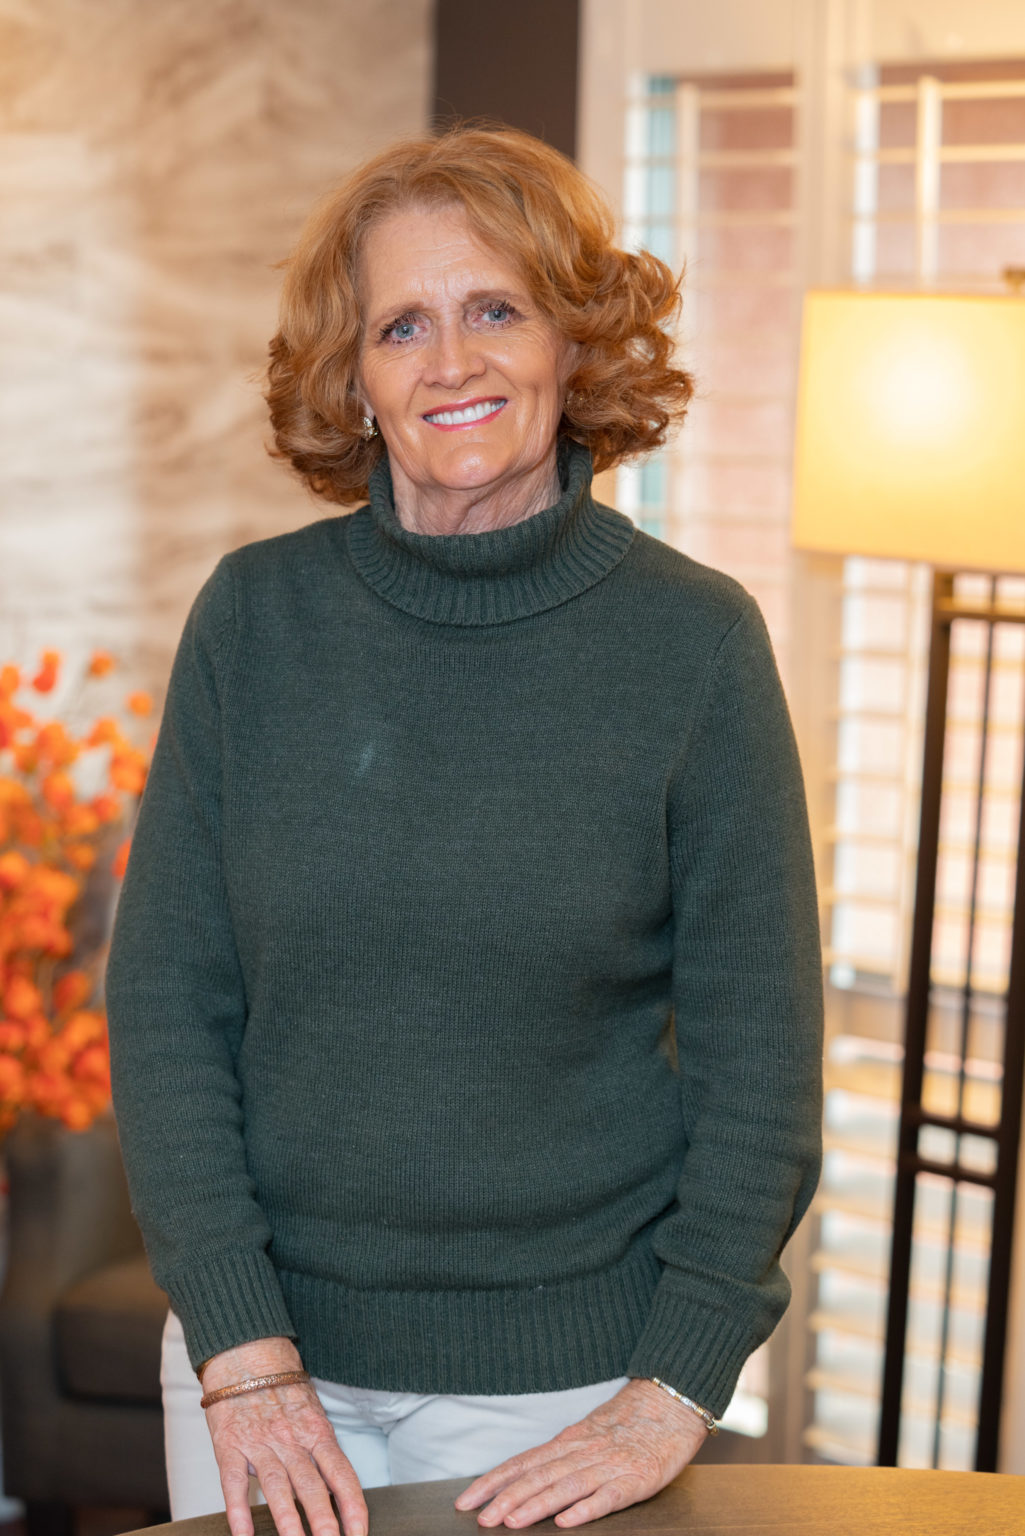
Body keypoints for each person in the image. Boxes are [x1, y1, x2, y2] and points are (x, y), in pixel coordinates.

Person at [106, 125, 823, 1536]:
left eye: (498, 308)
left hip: (560, 1398)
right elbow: (167, 1005)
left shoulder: (697, 646)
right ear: (354, 379)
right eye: (402, 325)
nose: (453, 362)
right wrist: (243, 1355)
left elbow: (765, 1073)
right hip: (265, 1372)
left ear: (572, 345)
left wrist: (673, 1388)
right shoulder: (254, 621)